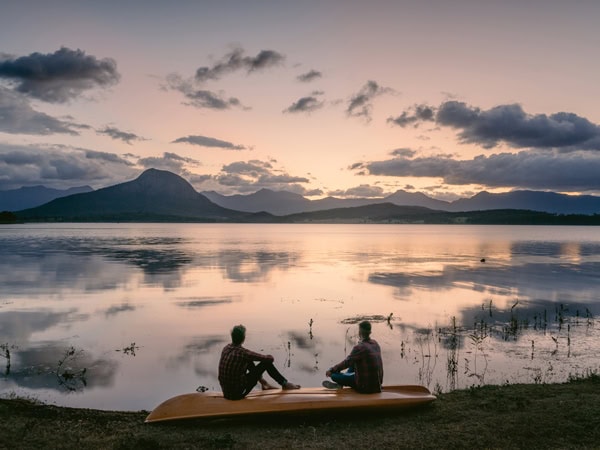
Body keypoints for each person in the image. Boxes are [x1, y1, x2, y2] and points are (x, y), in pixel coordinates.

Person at [218, 324, 301, 400]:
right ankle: (284, 384)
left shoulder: (226, 348)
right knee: (266, 363)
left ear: (232, 337)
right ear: (243, 338)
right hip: (238, 394)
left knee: (248, 361)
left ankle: (264, 384)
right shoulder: (243, 353)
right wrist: (268, 356)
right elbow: (269, 359)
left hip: (226, 393)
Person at [323, 320, 383, 393]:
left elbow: (346, 363)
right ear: (370, 332)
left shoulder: (359, 347)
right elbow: (350, 362)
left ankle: (340, 384)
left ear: (359, 332)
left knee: (334, 376)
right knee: (354, 363)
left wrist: (331, 370)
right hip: (377, 385)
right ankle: (342, 381)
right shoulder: (375, 344)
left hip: (364, 387)